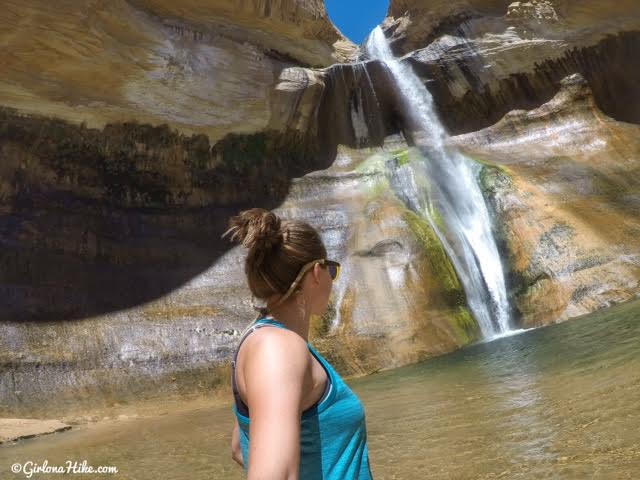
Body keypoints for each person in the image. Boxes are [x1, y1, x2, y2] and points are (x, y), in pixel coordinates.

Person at [223, 208, 373, 479]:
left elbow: (239, 448)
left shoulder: (266, 342)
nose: (331, 278)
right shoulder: (278, 350)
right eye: (331, 269)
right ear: (317, 272)